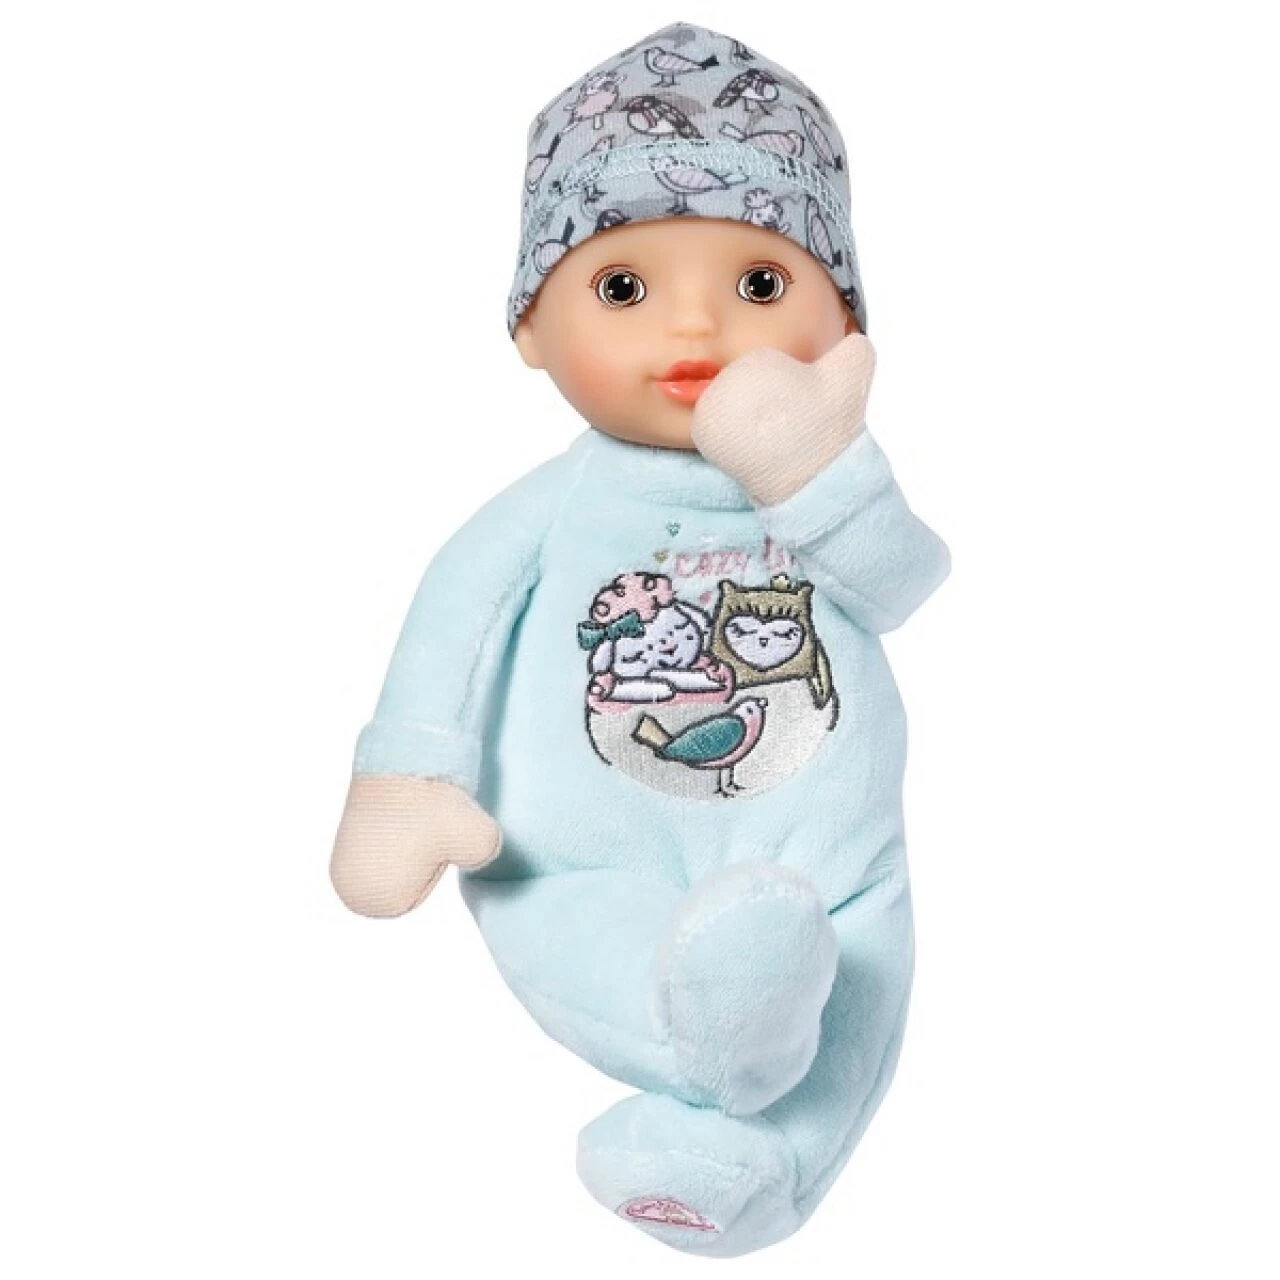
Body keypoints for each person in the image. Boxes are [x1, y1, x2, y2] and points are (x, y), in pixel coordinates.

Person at [331, 20, 950, 1256]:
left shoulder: (821, 479)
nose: (695, 331)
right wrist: (406, 778)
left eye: (760, 285)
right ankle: (710, 1036)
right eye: (623, 288)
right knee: (604, 943)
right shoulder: (553, 507)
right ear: (530, 327)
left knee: (855, 973)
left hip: (825, 850)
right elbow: (454, 617)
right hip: (575, 853)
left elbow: (901, 583)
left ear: (842, 321)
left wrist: (814, 474)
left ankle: (736, 1171)